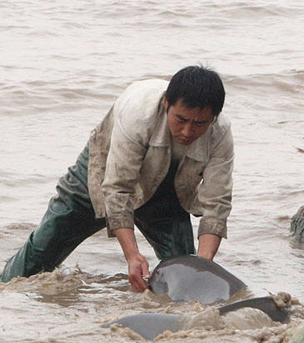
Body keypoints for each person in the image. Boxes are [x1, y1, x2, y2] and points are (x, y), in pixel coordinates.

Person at [1, 65, 233, 292]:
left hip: (166, 190)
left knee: (185, 274)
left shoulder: (220, 134)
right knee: (37, 258)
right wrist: (132, 256)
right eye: (181, 119)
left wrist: (203, 269)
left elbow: (216, 203)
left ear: (214, 117)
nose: (187, 131)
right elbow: (117, 189)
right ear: (166, 103)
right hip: (101, 173)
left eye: (199, 123)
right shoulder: (138, 114)